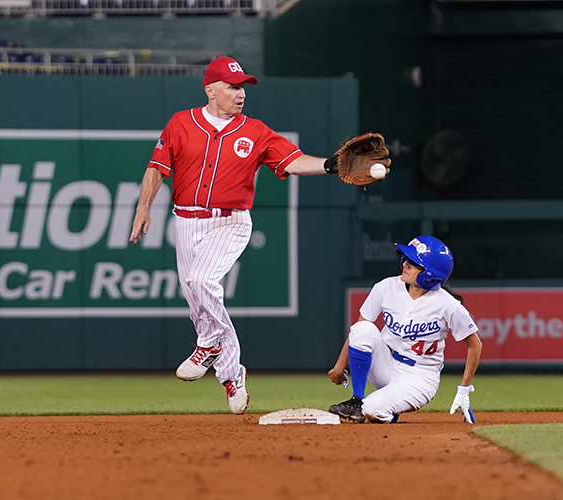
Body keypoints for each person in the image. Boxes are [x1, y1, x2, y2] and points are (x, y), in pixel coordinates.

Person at [129, 56, 340, 414]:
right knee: (198, 304)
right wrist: (142, 207)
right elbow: (157, 168)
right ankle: (231, 375)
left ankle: (209, 345)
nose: (240, 93)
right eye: (233, 86)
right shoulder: (181, 123)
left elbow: (292, 161)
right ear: (211, 90)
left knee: (202, 280)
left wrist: (330, 165)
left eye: (243, 86)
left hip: (231, 221)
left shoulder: (256, 131)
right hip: (185, 221)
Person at [328, 235, 482, 423]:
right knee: (364, 328)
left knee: (373, 410)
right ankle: (356, 400)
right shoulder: (386, 287)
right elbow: (359, 330)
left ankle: (383, 409)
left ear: (430, 274)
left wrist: (464, 389)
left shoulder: (448, 305)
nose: (405, 264)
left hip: (419, 377)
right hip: (385, 363)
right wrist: (339, 366)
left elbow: (475, 345)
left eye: (414, 262)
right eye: (406, 259)